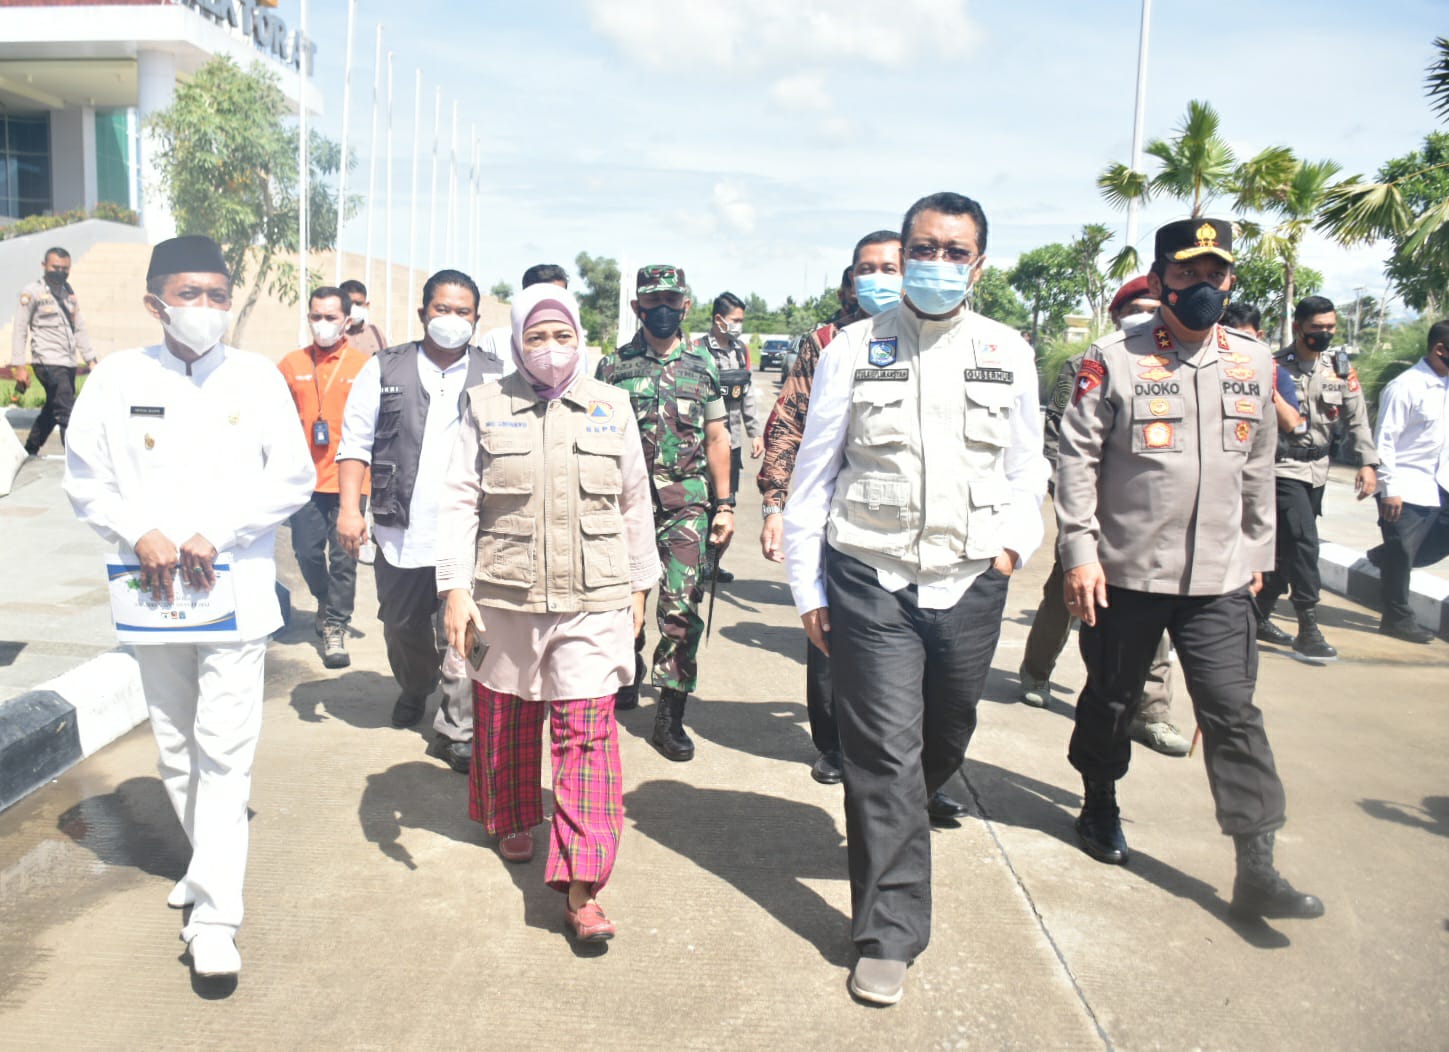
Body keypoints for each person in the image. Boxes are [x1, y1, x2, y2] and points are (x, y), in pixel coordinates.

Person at [785, 193, 1049, 1006]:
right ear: (902, 254)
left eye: (953, 250)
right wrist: (807, 588)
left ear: (979, 262)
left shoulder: (1007, 350)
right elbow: (814, 474)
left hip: (969, 579)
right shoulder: (853, 350)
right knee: (883, 756)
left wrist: (1013, 546)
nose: (937, 262)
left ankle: (894, 822)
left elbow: (1025, 467)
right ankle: (888, 930)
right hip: (871, 575)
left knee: (945, 736)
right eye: (922, 248)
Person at [1056, 217, 1323, 925]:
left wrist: (1258, 554)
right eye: (1185, 273)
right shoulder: (1112, 357)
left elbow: (1259, 466)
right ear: (1158, 277)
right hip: (1126, 574)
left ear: (1229, 279)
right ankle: (1099, 802)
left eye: (1214, 274)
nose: (1201, 287)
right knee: (1112, 701)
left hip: (1220, 579)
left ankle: (1256, 865)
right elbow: (1076, 462)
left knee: (1233, 715)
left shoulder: (1252, 361)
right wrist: (1078, 553)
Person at [62, 234, 315, 979]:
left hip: (233, 593)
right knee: (175, 746)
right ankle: (208, 859)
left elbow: (292, 477)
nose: (205, 308)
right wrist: (138, 531)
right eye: (189, 294)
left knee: (225, 750)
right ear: (154, 302)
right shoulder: (115, 378)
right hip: (153, 597)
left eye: (216, 295)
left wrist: (223, 531)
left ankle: (215, 917)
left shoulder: (257, 378)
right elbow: (86, 476)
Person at [436, 284, 659, 942]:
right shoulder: (484, 404)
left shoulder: (610, 405)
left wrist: (640, 587)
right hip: (501, 597)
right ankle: (510, 816)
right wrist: (453, 587)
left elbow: (634, 503)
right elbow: (456, 502)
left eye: (563, 336)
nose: (552, 349)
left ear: (580, 340)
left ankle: (582, 888)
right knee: (503, 718)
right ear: (516, 341)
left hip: (593, 601)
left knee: (586, 738)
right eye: (538, 336)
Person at [336, 270, 505, 774]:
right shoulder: (384, 367)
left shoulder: (496, 375)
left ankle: (458, 728)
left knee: (469, 631)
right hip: (400, 526)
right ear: (422, 313)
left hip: (474, 529)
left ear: (477, 319)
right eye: (442, 310)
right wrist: (350, 509)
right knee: (403, 627)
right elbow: (355, 443)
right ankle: (414, 685)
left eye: (463, 312)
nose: (452, 320)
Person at [1021, 275, 1190, 758]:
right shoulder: (1084, 364)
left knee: (1155, 605)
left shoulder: (1176, 365)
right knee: (1064, 594)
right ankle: (1036, 670)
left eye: (1155, 306)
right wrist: (1068, 498)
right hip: (1089, 507)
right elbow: (1056, 434)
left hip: (1150, 516)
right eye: (1138, 307)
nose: (1148, 314)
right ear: (1117, 314)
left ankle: (1152, 712)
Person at [759, 230, 902, 787]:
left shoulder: (941, 341)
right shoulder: (825, 342)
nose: (877, 282)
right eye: (866, 271)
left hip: (913, 523)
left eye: (889, 269)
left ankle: (913, 768)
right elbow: (789, 423)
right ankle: (836, 744)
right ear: (849, 282)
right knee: (830, 636)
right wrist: (775, 505)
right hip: (837, 514)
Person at [595, 264, 735, 761]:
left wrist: (725, 505)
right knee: (616, 604)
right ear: (637, 307)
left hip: (686, 507)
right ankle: (625, 675)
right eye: (652, 303)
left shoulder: (702, 366)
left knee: (679, 610)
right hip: (620, 507)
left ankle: (669, 717)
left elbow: (718, 438)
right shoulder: (612, 367)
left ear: (686, 306)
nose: (662, 311)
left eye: (671, 302)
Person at [1255, 295, 1378, 660]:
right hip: (1282, 469)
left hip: (1317, 471)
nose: (1324, 335)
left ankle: (1257, 614)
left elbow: (1357, 419)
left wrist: (1367, 463)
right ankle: (1308, 626)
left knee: (1284, 550)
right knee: (1306, 542)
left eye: (1330, 329)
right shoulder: (1273, 367)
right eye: (1316, 329)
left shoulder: (1340, 369)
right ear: (1297, 328)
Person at [278, 286, 374, 668]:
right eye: (316, 316)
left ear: (347, 321)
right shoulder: (290, 364)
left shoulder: (364, 367)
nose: (322, 324)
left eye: (331, 317)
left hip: (350, 481)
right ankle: (324, 600)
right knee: (305, 551)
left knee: (345, 558)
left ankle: (335, 624)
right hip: (304, 481)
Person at [1366, 320, 1449, 644]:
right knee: (1402, 551)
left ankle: (1384, 555)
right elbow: (1384, 440)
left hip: (1440, 483)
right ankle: (1397, 617)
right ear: (1440, 349)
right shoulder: (1406, 387)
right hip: (1406, 484)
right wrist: (1390, 489)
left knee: (1424, 549)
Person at [701, 291, 762, 584]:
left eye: (741, 320)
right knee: (702, 506)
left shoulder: (741, 351)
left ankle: (712, 564)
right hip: (704, 445)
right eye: (735, 320)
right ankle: (695, 562)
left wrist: (755, 432)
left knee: (726, 506)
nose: (738, 325)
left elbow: (746, 395)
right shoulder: (698, 351)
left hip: (733, 442)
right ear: (718, 319)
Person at [10, 246, 96, 455]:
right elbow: (20, 329)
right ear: (44, 266)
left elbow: (79, 328)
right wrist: (19, 366)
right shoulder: (32, 293)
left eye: (65, 268)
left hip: (67, 361)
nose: (60, 271)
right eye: (55, 267)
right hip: (47, 361)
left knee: (53, 408)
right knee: (68, 411)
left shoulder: (69, 293)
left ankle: (29, 450)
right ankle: (77, 459)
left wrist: (91, 359)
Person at [1224, 301, 1305, 434]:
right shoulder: (1208, 372)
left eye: (1245, 337)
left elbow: (1292, 423)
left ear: (1259, 336)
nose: (1238, 344)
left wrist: (1267, 386)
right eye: (1231, 337)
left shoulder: (1275, 373)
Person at [478, 263, 569, 363]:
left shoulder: (573, 345)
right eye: (542, 296)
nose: (551, 303)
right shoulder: (495, 341)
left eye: (559, 296)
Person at [339, 279, 389, 357]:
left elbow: (386, 362)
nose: (353, 308)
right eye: (349, 303)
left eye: (358, 304)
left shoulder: (376, 333)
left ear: (367, 305)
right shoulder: (335, 335)